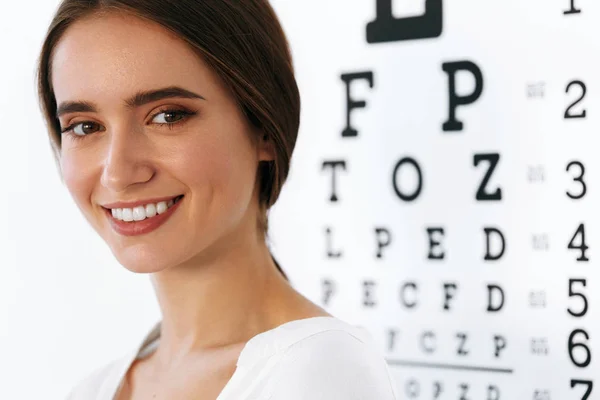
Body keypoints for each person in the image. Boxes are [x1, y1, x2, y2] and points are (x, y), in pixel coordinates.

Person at [36, 1, 399, 399]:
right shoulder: (92, 390)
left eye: (168, 116)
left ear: (263, 126)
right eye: (85, 126)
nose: (118, 173)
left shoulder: (320, 373)